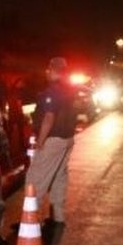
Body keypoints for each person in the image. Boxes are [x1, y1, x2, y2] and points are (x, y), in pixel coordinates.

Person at [25, 56, 77, 228]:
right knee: (59, 178)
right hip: (67, 139)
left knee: (35, 180)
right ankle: (58, 217)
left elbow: (49, 117)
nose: (46, 72)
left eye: (48, 69)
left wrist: (40, 142)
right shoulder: (69, 90)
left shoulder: (52, 91)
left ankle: (32, 223)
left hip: (53, 140)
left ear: (53, 70)